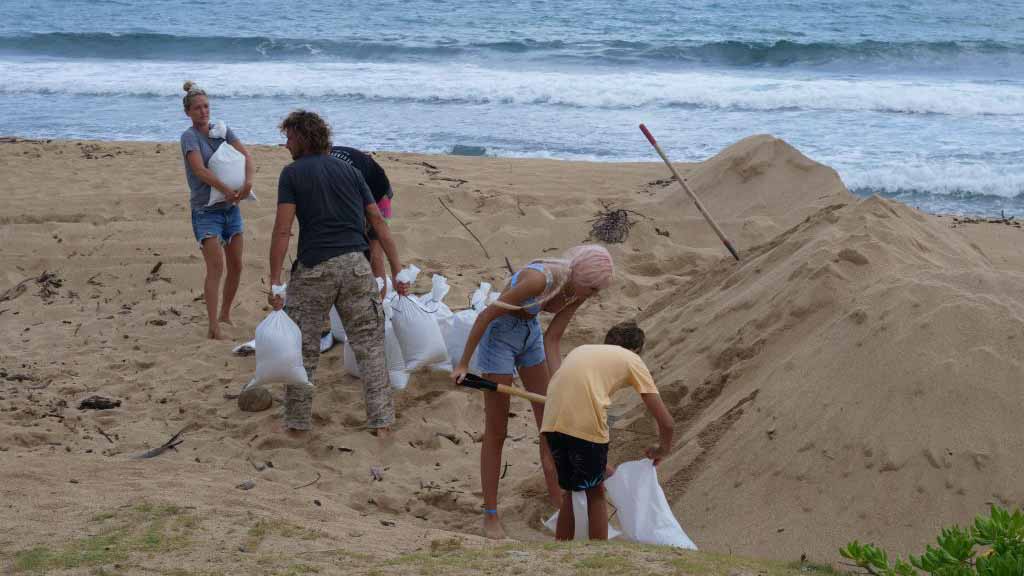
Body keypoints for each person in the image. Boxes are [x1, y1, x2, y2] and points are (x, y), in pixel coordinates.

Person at [451, 245, 614, 539]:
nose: (592, 296)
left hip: (531, 337)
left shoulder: (578, 291)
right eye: (591, 288)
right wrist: (463, 363)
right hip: (499, 336)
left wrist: (562, 384)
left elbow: (553, 339)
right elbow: (488, 314)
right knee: (497, 430)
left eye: (596, 291)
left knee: (552, 423)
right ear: (579, 275)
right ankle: (490, 514)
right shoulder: (540, 280)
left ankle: (559, 501)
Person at [267, 110, 406, 433]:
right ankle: (382, 421)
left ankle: (298, 422)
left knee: (303, 350)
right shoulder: (350, 172)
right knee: (370, 347)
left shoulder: (292, 174)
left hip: (315, 268)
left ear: (302, 138)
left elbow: (282, 231)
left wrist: (275, 281)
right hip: (357, 267)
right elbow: (378, 223)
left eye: (289, 137)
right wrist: (397, 271)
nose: (286, 144)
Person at [541, 320, 674, 541]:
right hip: (584, 423)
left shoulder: (583, 349)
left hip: (551, 421)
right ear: (636, 350)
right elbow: (667, 423)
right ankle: (598, 552)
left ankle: (559, 552)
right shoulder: (632, 359)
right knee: (596, 492)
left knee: (572, 492)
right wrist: (663, 448)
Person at [179, 80, 254, 340]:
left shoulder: (222, 130)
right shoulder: (189, 137)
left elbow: (247, 157)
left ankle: (225, 313)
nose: (204, 111)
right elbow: (200, 170)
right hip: (205, 210)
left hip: (230, 209)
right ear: (188, 112)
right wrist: (225, 188)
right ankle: (213, 325)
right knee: (216, 267)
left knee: (237, 265)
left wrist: (248, 183)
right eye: (198, 108)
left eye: (207, 106)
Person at [329, 146, 395, 292]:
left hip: (380, 195)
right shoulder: (319, 162)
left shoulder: (339, 174)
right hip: (357, 192)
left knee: (374, 250)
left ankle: (379, 306)